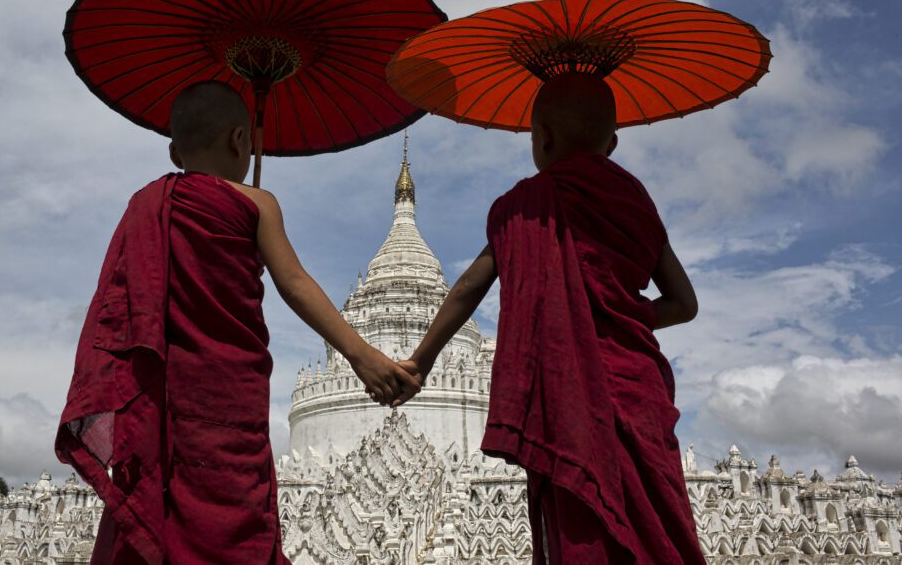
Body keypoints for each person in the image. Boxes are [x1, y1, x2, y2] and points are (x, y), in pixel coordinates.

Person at [56, 81, 421, 565]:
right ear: (240, 141)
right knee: (232, 525)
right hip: (227, 402)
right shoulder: (258, 203)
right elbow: (294, 283)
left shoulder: (149, 206)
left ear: (173, 150)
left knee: (162, 518)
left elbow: (125, 309)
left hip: (168, 399)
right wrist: (363, 356)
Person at [392, 73, 705, 563]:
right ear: (614, 143)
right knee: (658, 526)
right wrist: (621, 316)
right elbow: (684, 304)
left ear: (542, 138)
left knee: (582, 521)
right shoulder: (636, 200)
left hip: (567, 394)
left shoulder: (524, 206)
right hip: (635, 388)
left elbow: (470, 286)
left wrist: (420, 361)